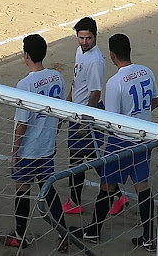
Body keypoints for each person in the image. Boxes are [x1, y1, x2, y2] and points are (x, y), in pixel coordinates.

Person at [70, 33, 158, 252]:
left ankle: (93, 230)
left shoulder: (115, 83)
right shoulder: (147, 71)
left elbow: (112, 121)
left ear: (112, 55)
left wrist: (88, 126)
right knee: (142, 187)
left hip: (120, 143)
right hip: (143, 138)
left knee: (106, 185)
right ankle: (149, 236)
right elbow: (155, 102)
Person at [1, 34, 69, 252]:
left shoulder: (24, 85)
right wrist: (54, 136)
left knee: (22, 190)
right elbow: (60, 113)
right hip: (47, 147)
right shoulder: (57, 77)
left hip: (29, 150)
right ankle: (63, 234)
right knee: (48, 190)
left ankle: (20, 235)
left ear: (26, 55)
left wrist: (14, 152)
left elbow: (22, 124)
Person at [62, 16, 107, 215]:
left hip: (87, 114)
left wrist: (85, 122)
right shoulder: (80, 52)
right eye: (81, 38)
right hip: (78, 112)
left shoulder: (95, 61)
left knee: (77, 159)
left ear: (95, 37)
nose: (84, 42)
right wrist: (68, 100)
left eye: (88, 38)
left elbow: (95, 93)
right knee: (90, 156)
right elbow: (77, 80)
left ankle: (75, 202)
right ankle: (117, 195)